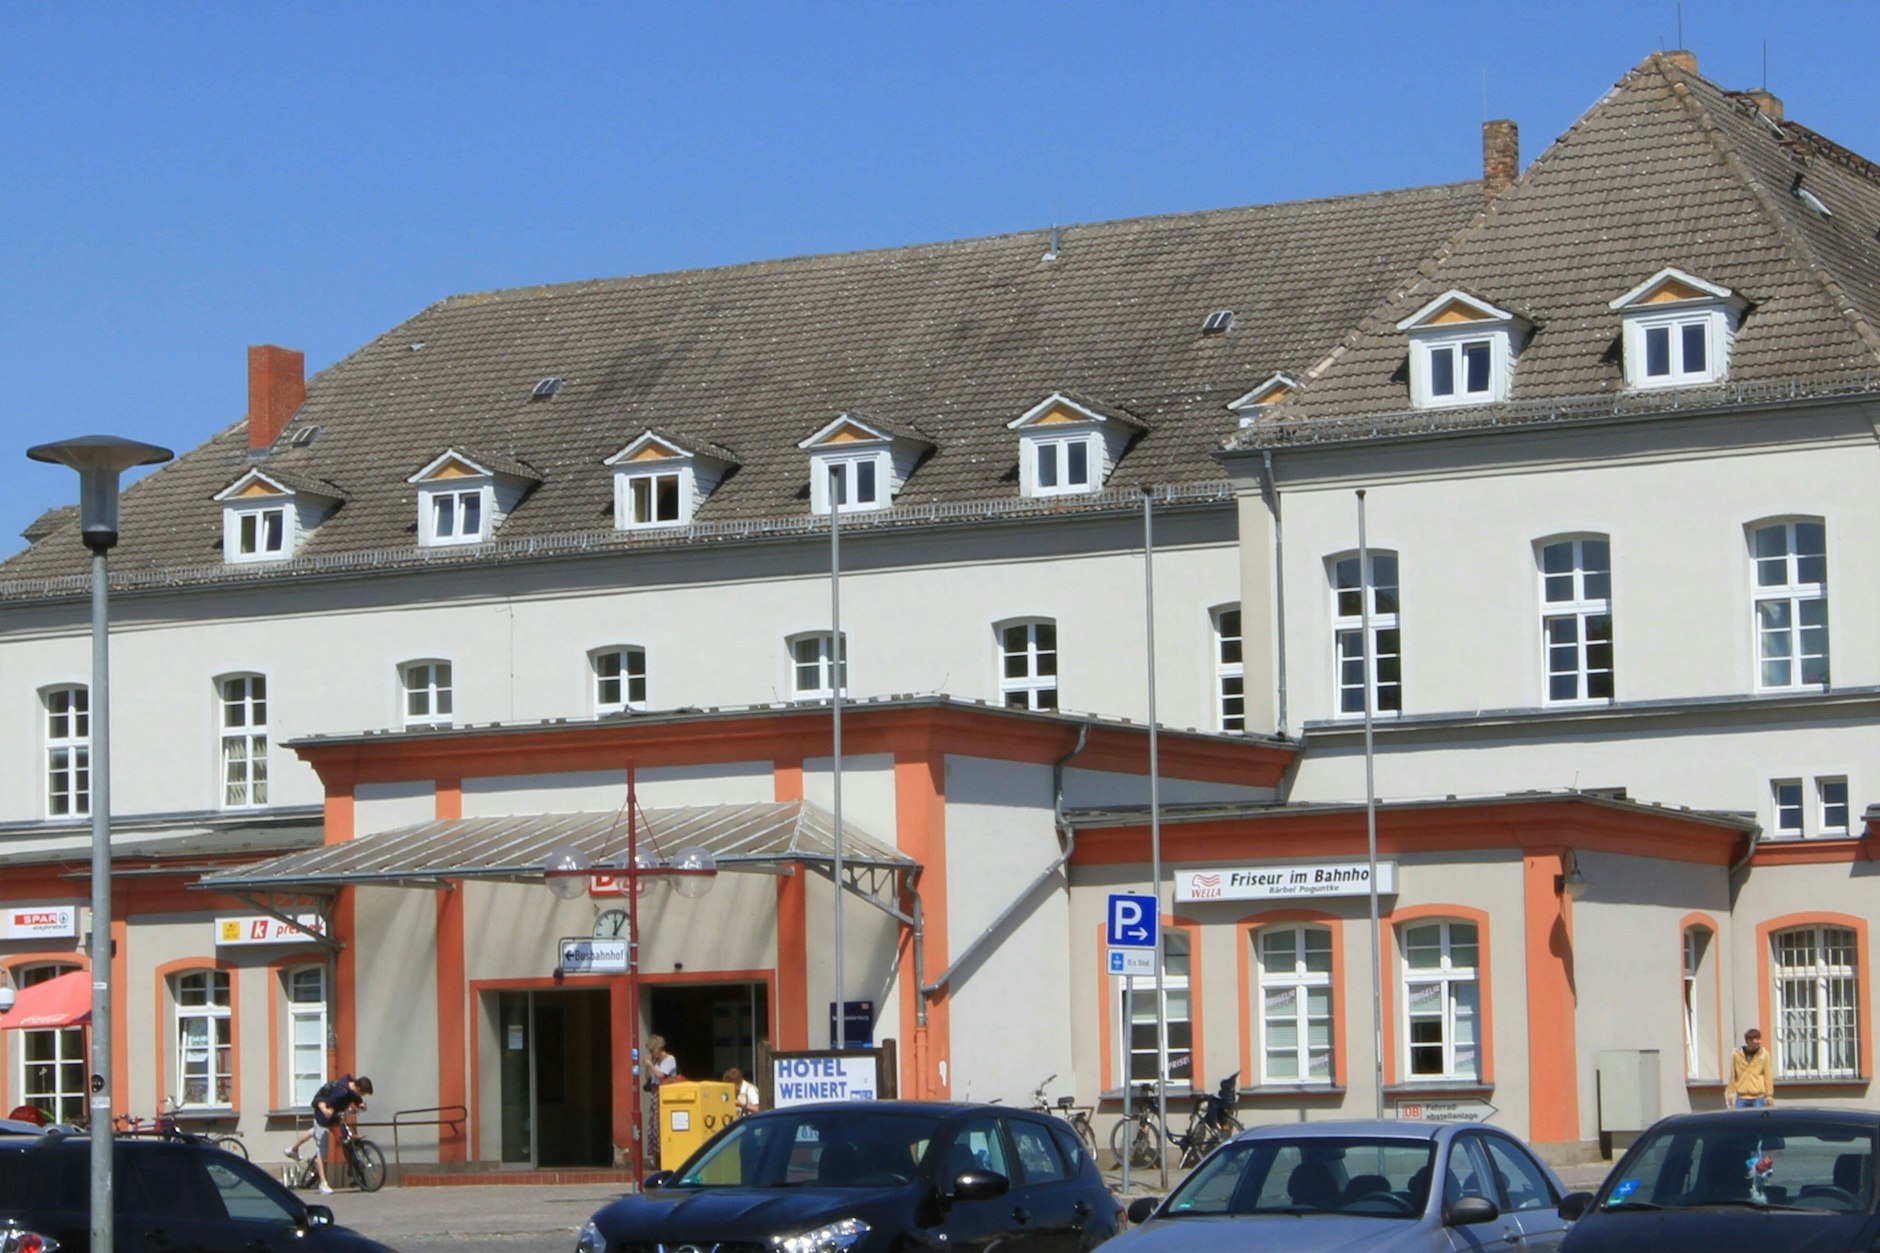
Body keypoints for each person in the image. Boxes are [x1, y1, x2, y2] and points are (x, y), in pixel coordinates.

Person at [286, 1074, 374, 1193]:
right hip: (323, 1118)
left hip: (335, 1117)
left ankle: (292, 1149)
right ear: (359, 1089)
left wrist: (361, 1105)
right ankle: (323, 1184)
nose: (362, 1096)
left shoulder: (352, 1088)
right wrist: (326, 1111)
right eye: (363, 1094)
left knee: (318, 1132)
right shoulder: (340, 1092)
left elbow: (356, 1100)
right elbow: (321, 1102)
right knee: (322, 1151)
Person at [644, 1036, 680, 1167]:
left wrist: (651, 1065)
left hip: (664, 1094)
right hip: (655, 1093)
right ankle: (656, 1155)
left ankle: (665, 1156)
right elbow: (649, 1078)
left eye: (653, 1050)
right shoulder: (656, 1061)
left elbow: (661, 1075)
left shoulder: (669, 1059)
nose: (652, 1053)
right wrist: (647, 1067)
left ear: (658, 1049)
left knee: (662, 1125)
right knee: (654, 1126)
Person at [1726, 1027, 1774, 1108]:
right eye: (1756, 1039)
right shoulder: (1737, 1055)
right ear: (1749, 1041)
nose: (1759, 1042)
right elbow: (1733, 1075)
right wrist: (1731, 1092)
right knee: (1740, 1119)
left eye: (1759, 1039)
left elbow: (1768, 1075)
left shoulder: (1764, 1054)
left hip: (1758, 1097)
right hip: (1742, 1097)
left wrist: (1769, 1095)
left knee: (1758, 1120)